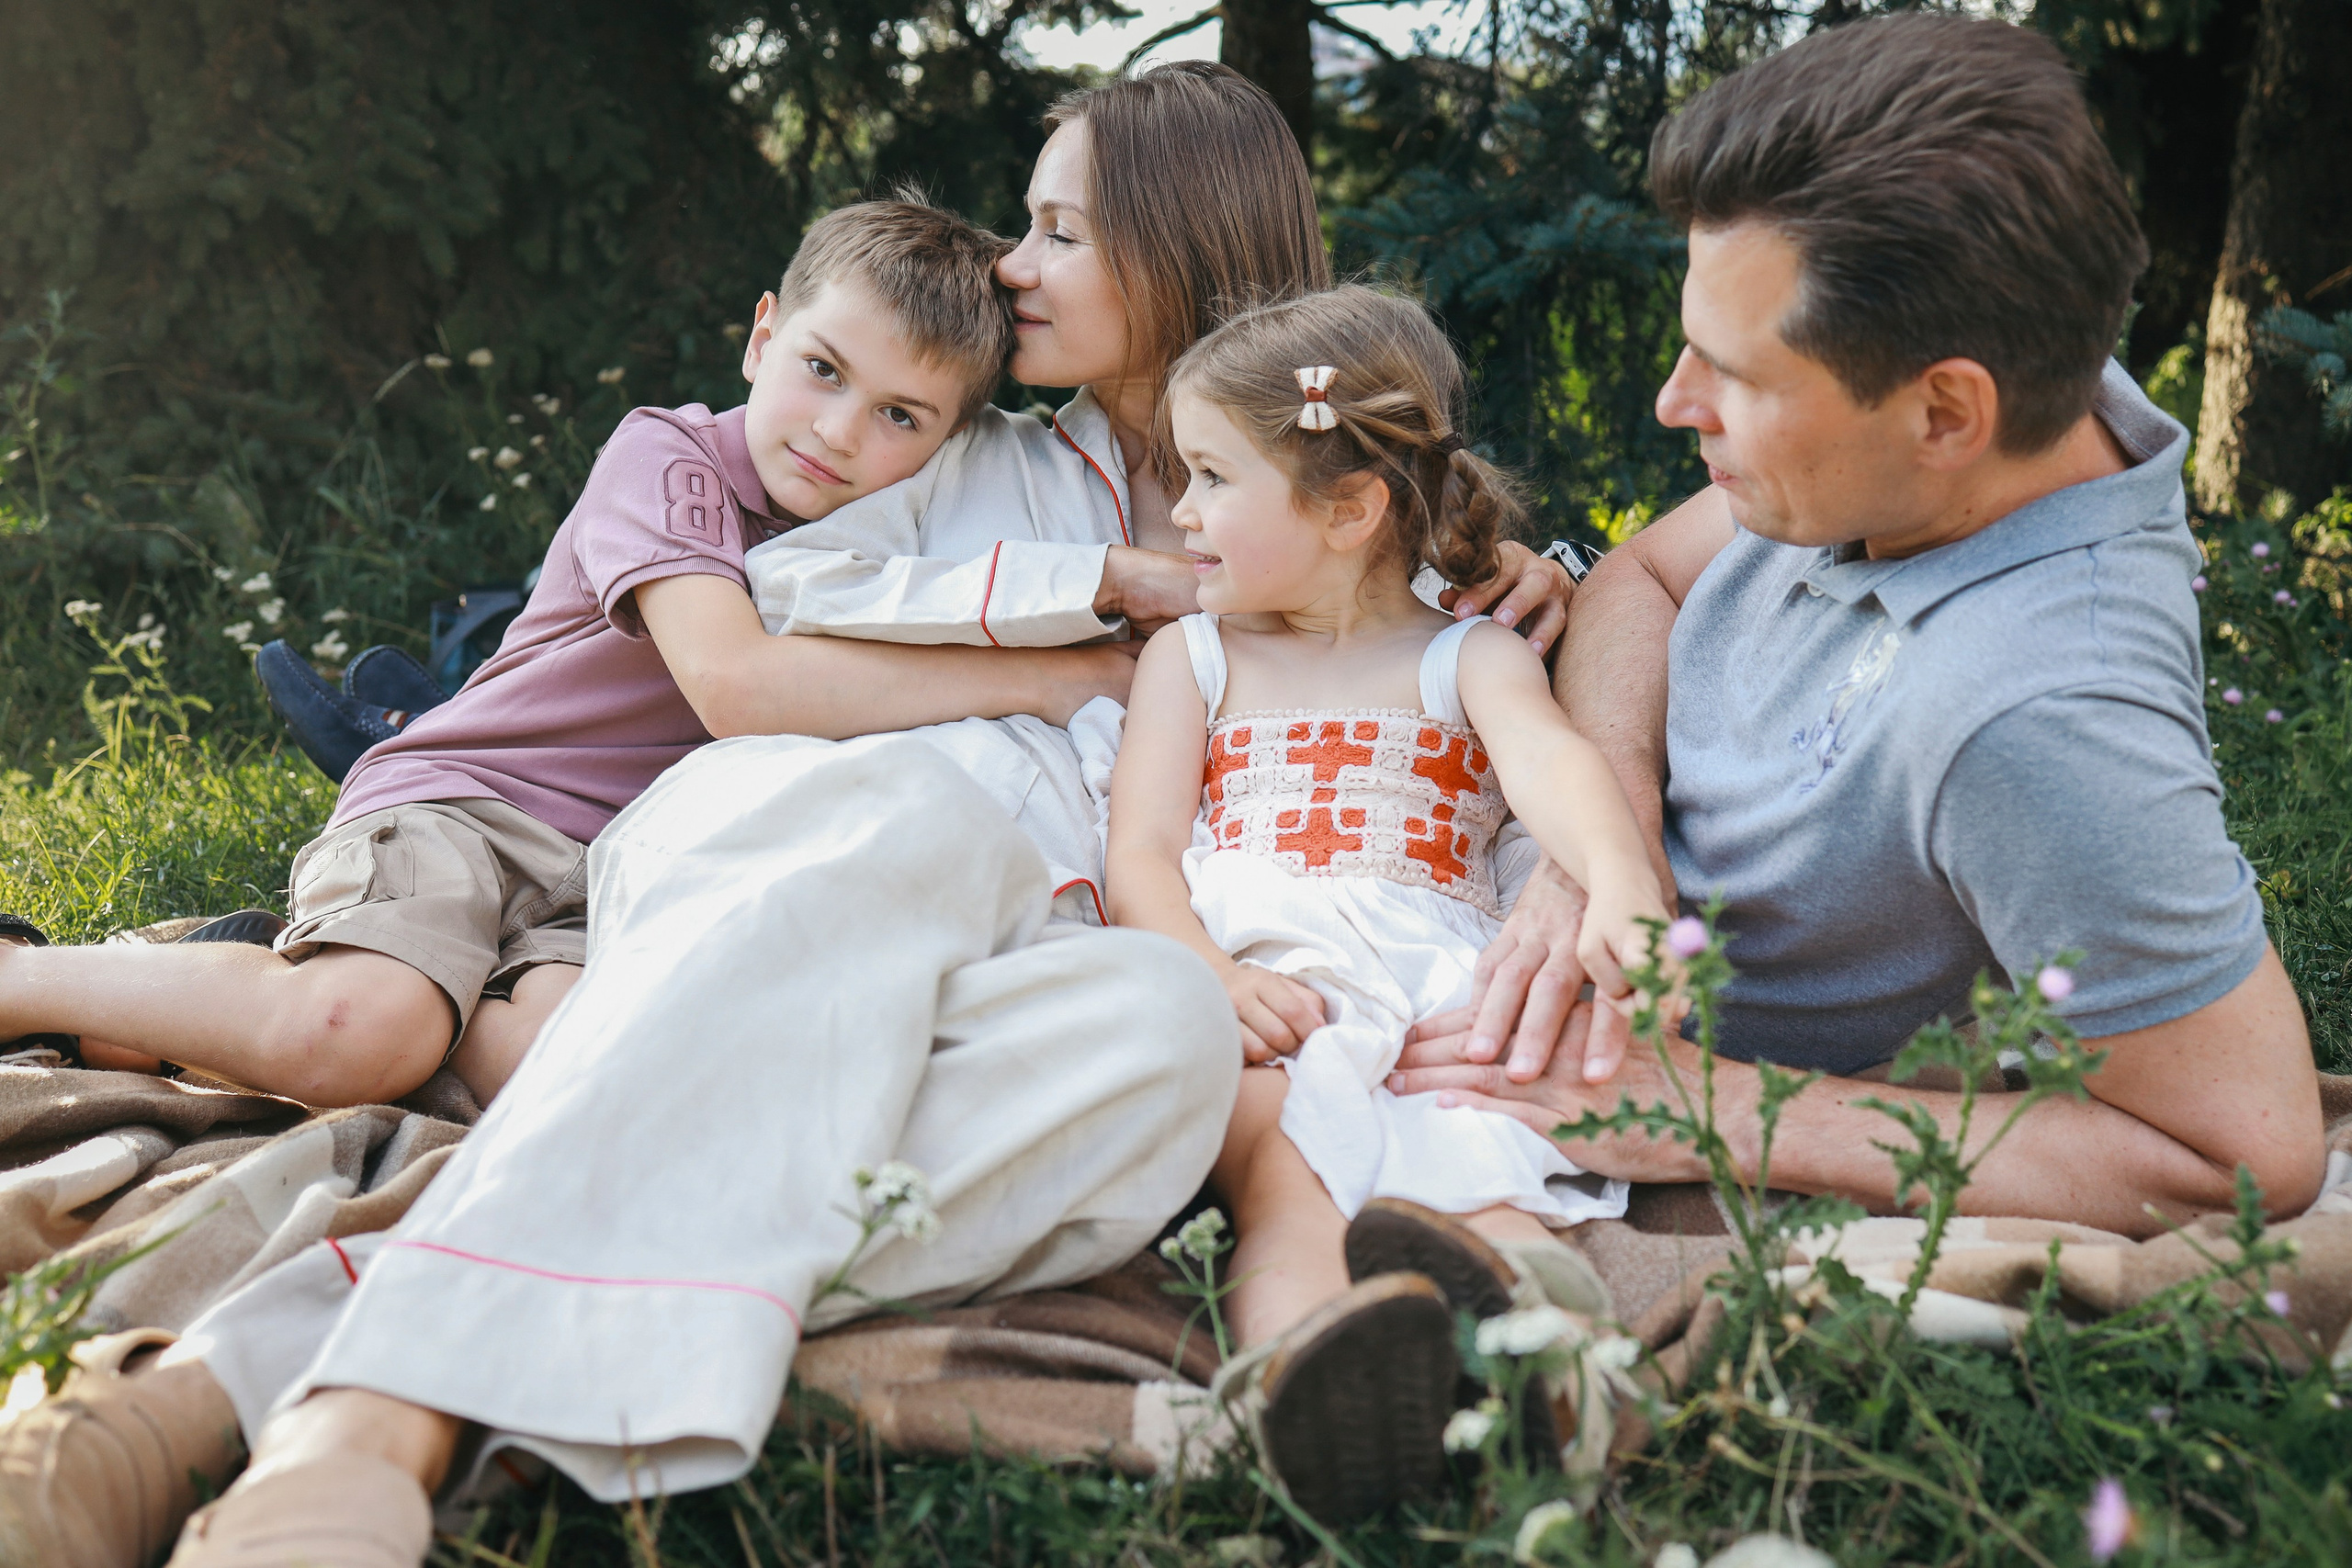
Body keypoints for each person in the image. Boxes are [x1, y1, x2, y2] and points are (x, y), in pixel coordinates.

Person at [0, 65, 1579, 1568]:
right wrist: (1080, 606)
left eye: (1060, 231)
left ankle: (293, 1358)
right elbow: (784, 591)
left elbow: (1456, 674)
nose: (1014, 266)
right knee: (917, 825)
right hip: (806, 868)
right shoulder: (977, 462)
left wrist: (1534, 682)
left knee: (1165, 1034)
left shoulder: (1354, 531)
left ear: (1180, 258)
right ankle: (341, 1417)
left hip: (1040, 959)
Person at [1385, 16, 2327, 1238]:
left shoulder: (2039, 719)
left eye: (1738, 377)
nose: (1678, 403)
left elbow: (2246, 1156)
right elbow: (1642, 580)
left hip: (1571, 1111)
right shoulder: (1985, 417)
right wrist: (1601, 830)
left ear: (1947, 413)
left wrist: (1703, 1104)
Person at [0, 197, 1028, 1108]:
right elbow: (733, 685)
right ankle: (28, 982)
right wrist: (1062, 679)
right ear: (762, 336)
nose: (842, 432)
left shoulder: (892, 544)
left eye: (900, 415)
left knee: (576, 1075)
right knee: (358, 1034)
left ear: (950, 444)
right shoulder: (670, 458)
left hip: (618, 872)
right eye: (822, 370)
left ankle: (227, 994)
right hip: (474, 800)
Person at [1102, 286, 1667, 1520]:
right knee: (1288, 1177)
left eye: (1208, 476)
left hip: (1433, 984)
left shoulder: (1466, 654)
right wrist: (1206, 970)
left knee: (1484, 1173)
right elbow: (1138, 851)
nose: (1180, 512)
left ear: (1349, 508)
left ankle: (1553, 1390)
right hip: (1266, 976)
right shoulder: (1191, 657)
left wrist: (1621, 879)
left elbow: (1556, 768)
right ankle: (1314, 1392)